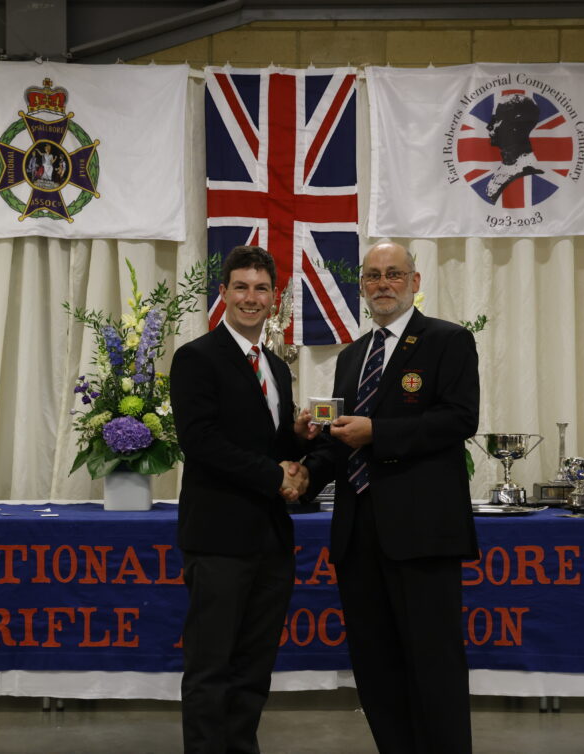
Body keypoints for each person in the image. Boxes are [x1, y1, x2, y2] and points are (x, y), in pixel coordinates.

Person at [300, 240, 480, 754]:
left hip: (422, 535)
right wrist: (304, 470)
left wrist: (379, 432)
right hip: (359, 537)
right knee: (376, 669)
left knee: (434, 666)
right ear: (363, 285)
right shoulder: (353, 356)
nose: (383, 284)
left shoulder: (447, 341)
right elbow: (341, 443)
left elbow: (459, 419)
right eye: (374, 276)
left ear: (415, 283)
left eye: (394, 274)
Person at [170, 245, 309, 753]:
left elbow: (270, 448)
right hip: (219, 538)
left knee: (254, 668)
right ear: (223, 292)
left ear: (274, 299)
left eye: (262, 288)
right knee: (211, 669)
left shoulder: (275, 366)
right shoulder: (196, 358)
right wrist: (275, 476)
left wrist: (298, 441)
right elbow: (201, 442)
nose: (252, 298)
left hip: (270, 540)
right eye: (242, 287)